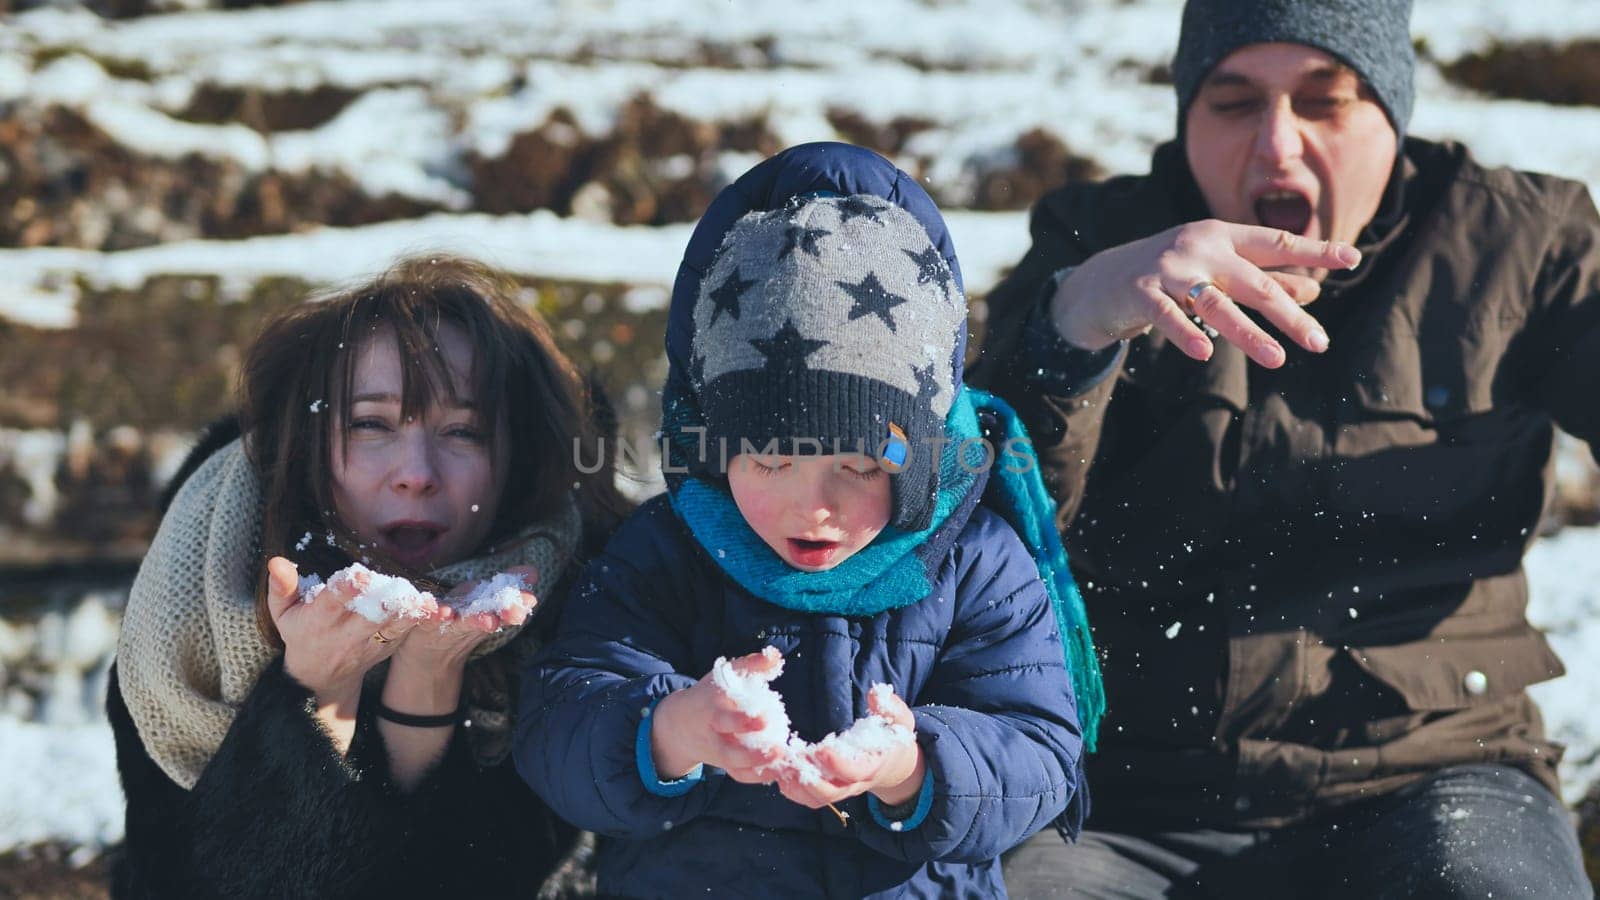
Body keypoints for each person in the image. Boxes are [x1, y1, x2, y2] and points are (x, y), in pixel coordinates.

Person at [972, 0, 1599, 897]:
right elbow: (974, 520)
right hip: (1122, 803)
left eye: (1324, 100)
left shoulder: (1523, 242)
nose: (1276, 146)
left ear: (1392, 110)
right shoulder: (1094, 240)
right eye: (1232, 103)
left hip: (1440, 777)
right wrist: (1070, 328)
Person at [513, 142, 1101, 898]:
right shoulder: (665, 552)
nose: (812, 505)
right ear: (714, 449)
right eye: (769, 460)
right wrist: (673, 730)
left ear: (920, 462)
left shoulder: (976, 562)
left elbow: (1041, 753)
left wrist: (910, 765)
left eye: (858, 467)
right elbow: (558, 724)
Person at [107, 255, 627, 899]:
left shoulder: (581, 608)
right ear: (308, 441)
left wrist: (428, 680)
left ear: (515, 458)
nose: (416, 472)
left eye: (462, 431)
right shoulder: (201, 601)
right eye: (372, 424)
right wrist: (312, 696)